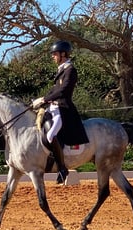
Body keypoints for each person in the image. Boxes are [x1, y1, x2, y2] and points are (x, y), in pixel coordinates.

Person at [33, 40, 89, 184]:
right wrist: (40, 99)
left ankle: (62, 168)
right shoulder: (61, 69)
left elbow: (63, 91)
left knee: (51, 135)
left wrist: (45, 99)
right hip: (53, 108)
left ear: (63, 54)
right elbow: (54, 90)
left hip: (63, 109)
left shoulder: (70, 70)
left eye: (55, 54)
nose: (53, 56)